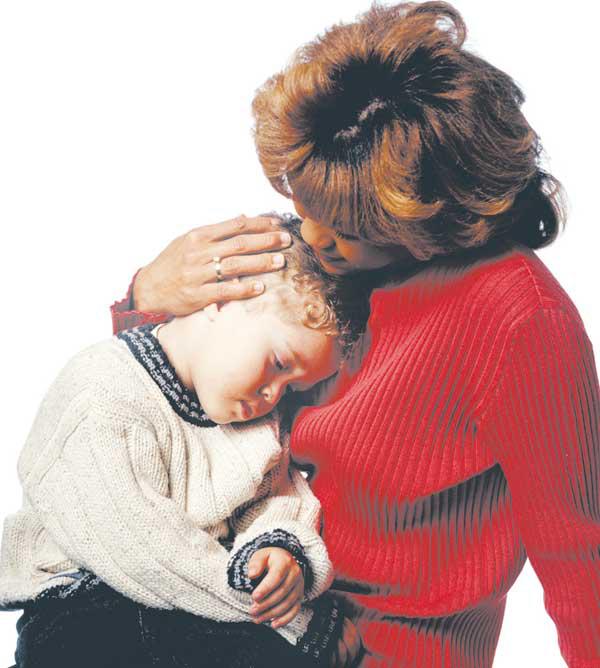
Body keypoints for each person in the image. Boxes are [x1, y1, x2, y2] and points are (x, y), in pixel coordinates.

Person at [109, 2, 600, 666]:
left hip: (372, 648)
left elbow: (579, 558)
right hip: (232, 605)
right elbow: (169, 412)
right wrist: (145, 300)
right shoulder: (314, 261)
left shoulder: (520, 319)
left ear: (430, 219)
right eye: (303, 202)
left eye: (344, 226)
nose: (311, 235)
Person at [0, 215, 367, 668]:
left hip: (198, 606)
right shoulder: (101, 390)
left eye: (292, 387)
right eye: (277, 362)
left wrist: (278, 551)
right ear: (223, 298)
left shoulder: (257, 421)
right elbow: (140, 550)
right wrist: (299, 624)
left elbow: (281, 496)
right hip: (85, 604)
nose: (273, 395)